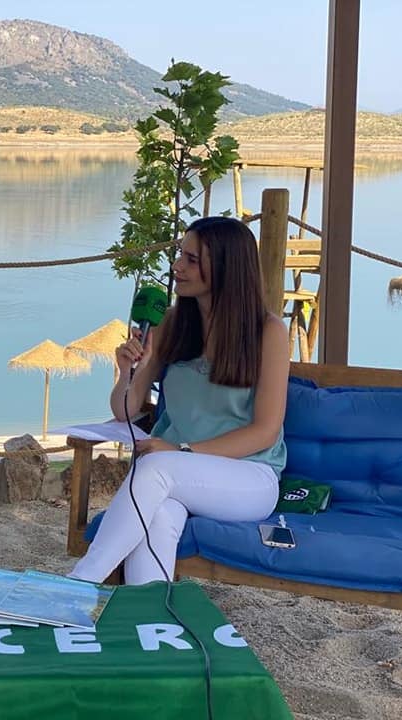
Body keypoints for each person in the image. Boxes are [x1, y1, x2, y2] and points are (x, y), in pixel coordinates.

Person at [68, 216, 289, 586]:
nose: (176, 267)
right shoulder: (173, 324)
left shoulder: (267, 332)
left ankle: (80, 583)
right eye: (180, 256)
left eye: (191, 260)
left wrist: (181, 450)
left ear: (224, 268)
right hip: (179, 474)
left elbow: (265, 432)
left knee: (157, 469)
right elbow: (126, 406)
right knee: (159, 517)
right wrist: (127, 371)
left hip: (249, 476)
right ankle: (148, 619)